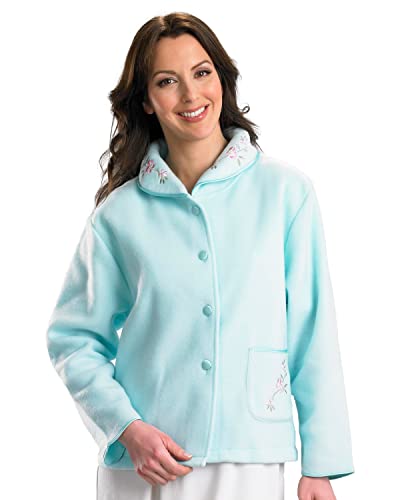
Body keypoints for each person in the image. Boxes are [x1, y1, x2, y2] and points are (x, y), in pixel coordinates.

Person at [46, 11, 355, 500]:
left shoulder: (285, 194)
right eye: (167, 81)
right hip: (147, 464)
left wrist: (321, 465)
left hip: (247, 456)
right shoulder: (118, 215)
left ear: (222, 80)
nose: (191, 95)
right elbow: (73, 338)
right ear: (146, 101)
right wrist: (126, 427)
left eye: (202, 72)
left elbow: (312, 331)